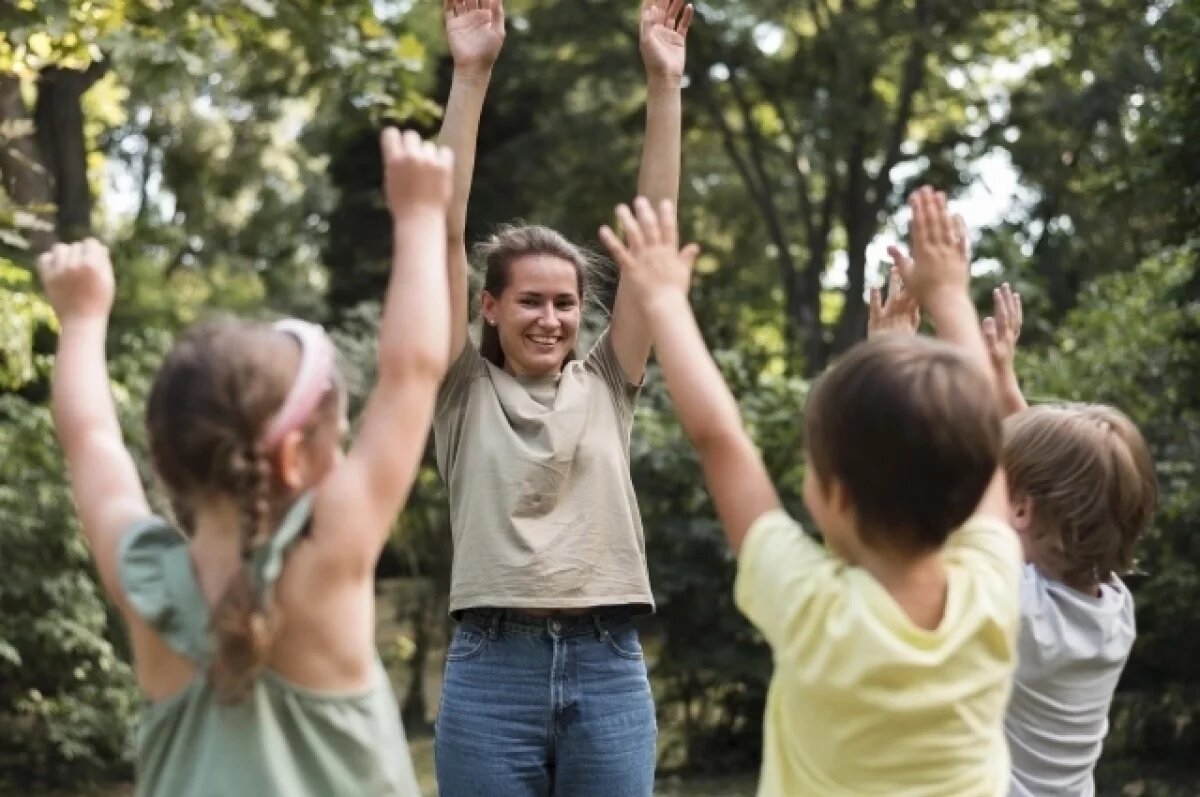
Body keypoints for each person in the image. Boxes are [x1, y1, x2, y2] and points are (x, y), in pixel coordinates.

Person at [37, 130, 453, 797]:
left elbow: (90, 440)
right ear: (293, 457)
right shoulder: (326, 558)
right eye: (339, 437)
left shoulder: (144, 577)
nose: (345, 453)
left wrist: (82, 320)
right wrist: (421, 214)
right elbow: (412, 372)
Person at [600, 188, 1023, 796]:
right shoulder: (992, 589)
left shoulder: (814, 612)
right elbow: (721, 439)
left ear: (839, 498)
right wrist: (950, 296)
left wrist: (662, 298)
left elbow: (723, 440)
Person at [430, 0, 693, 794]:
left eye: (566, 302)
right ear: (490, 307)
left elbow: (656, 230)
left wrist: (664, 85)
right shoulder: (460, 390)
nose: (551, 318)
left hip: (607, 664)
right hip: (490, 670)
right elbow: (440, 234)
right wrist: (471, 74)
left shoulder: (608, 382)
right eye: (530, 301)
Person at [978, 286, 1158, 797]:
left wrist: (930, 322)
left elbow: (991, 478)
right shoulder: (1110, 610)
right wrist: (1001, 377)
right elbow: (1039, 474)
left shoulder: (1021, 609)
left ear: (1020, 509)